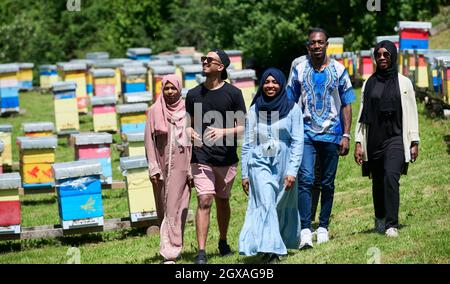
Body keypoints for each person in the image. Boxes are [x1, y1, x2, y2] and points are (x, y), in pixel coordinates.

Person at [287, 27, 356, 249]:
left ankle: (323, 226)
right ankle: (305, 229)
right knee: (305, 180)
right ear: (308, 46)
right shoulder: (299, 69)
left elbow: (347, 103)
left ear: (327, 45)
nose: (316, 46)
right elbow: (289, 102)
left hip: (332, 134)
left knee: (327, 182)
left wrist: (346, 134)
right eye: (312, 43)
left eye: (320, 42)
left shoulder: (339, 69)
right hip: (305, 134)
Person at [185, 49, 247, 264]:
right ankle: (201, 252)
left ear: (221, 67)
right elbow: (187, 124)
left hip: (226, 158)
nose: (204, 62)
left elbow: (243, 127)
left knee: (222, 200)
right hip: (201, 157)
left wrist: (223, 132)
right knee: (204, 199)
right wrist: (188, 131)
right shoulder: (193, 95)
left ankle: (222, 241)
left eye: (209, 59)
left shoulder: (234, 94)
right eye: (203, 59)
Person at [354, 40, 420, 237]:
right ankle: (380, 217)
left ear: (393, 56)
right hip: (374, 138)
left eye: (386, 54)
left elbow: (413, 112)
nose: (382, 58)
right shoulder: (369, 82)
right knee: (378, 181)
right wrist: (359, 142)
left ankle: (392, 223)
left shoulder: (404, 82)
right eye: (379, 55)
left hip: (396, 136)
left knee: (391, 175)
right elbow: (362, 114)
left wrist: (414, 140)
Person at [239, 68, 303, 263]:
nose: (270, 86)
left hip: (284, 162)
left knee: (278, 205)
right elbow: (248, 144)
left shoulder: (292, 108)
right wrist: (244, 173)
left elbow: (298, 141)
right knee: (266, 203)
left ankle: (272, 242)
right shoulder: (254, 109)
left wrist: (292, 170)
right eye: (267, 82)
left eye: (275, 82)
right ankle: (272, 252)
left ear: (281, 84)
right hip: (259, 163)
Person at [144, 74, 193, 264]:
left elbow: (192, 143)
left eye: (173, 88)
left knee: (180, 207)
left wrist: (191, 169)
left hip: (183, 166)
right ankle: (170, 248)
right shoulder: (154, 111)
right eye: (167, 88)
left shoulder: (188, 111)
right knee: (166, 207)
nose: (170, 92)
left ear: (179, 89)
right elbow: (149, 141)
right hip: (162, 167)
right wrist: (153, 167)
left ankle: (173, 248)